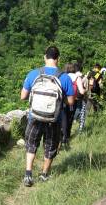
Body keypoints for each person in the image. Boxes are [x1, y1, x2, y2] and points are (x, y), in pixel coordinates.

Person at [21, 46, 74, 187]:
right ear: (58, 58)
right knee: (50, 146)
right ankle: (44, 175)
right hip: (54, 119)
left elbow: (23, 96)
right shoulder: (65, 77)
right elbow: (70, 102)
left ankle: (28, 174)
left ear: (45, 57)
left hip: (35, 117)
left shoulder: (33, 74)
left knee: (31, 144)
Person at [72, 63, 87, 132]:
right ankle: (80, 129)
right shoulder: (84, 77)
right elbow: (86, 89)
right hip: (82, 98)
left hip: (72, 97)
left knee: (72, 112)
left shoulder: (72, 76)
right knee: (82, 113)